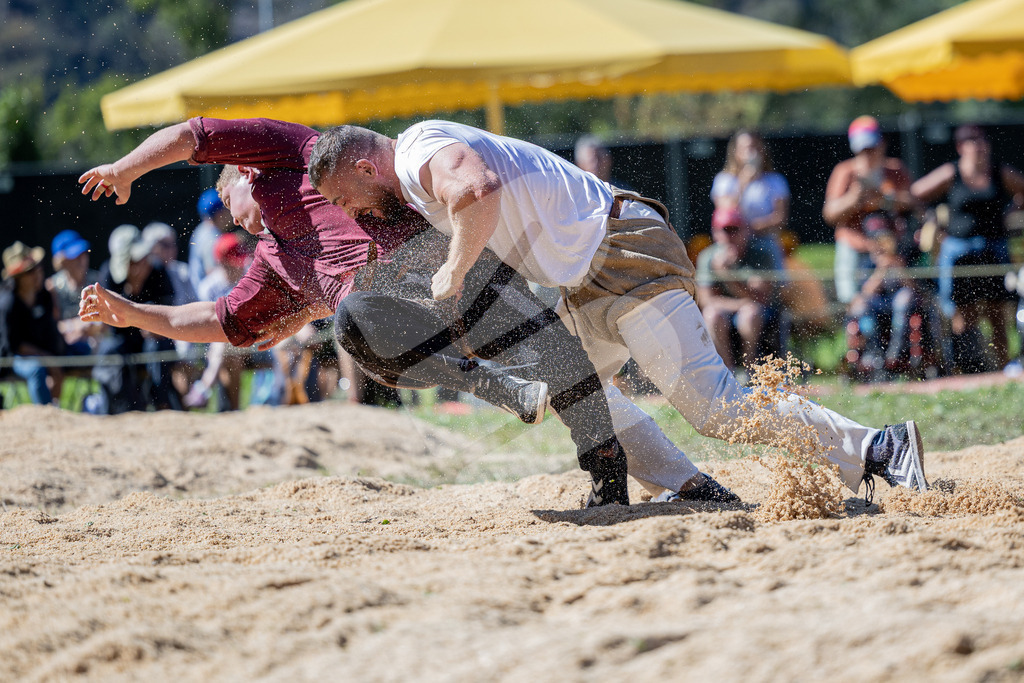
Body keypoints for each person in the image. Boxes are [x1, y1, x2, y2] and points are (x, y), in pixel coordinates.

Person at [78, 117, 725, 507]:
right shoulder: (271, 265)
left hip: (444, 263)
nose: (228, 202)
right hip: (393, 318)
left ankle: (634, 485)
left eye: (230, 187)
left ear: (247, 172)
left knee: (568, 366)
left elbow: (196, 135)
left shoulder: (297, 158)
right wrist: (134, 313)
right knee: (353, 315)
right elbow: (220, 321)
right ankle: (491, 384)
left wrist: (127, 166)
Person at [308, 119, 931, 502]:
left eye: (345, 197)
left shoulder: (419, 150)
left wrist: (454, 268)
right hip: (585, 276)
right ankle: (689, 487)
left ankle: (879, 448)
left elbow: (474, 188)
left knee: (713, 405)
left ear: (366, 166)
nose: (351, 211)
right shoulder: (414, 180)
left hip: (622, 251)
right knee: (578, 391)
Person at [911, 124, 1024, 373]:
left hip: (994, 251)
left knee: (997, 313)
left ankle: (1003, 370)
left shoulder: (999, 172)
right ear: (961, 146)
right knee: (962, 314)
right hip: (959, 254)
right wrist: (930, 220)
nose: (981, 147)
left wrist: (1013, 211)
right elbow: (915, 194)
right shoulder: (952, 172)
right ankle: (963, 369)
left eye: (984, 141)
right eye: (974, 142)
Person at [823, 116, 916, 306]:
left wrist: (886, 198)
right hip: (856, 245)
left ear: (882, 144)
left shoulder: (895, 169)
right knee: (853, 300)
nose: (868, 154)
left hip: (889, 248)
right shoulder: (845, 172)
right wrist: (853, 199)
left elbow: (912, 202)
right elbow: (830, 214)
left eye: (871, 148)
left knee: (904, 297)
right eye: (863, 149)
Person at [91, 224, 181, 413]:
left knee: (158, 348)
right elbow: (105, 323)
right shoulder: (108, 273)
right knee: (110, 349)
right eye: (132, 261)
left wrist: (153, 324)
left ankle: (162, 405)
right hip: (122, 338)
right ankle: (120, 409)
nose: (140, 264)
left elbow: (170, 316)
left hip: (154, 340)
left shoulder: (158, 271)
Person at [696, 206, 782, 372]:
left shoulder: (761, 253)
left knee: (750, 315)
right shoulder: (707, 257)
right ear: (715, 233)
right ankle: (728, 371)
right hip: (732, 310)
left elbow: (762, 298)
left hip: (759, 314)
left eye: (735, 230)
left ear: (746, 231)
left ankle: (749, 370)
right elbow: (706, 301)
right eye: (725, 230)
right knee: (712, 315)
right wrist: (742, 303)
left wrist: (727, 276)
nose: (730, 236)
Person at [1, 241, 66, 404]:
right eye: (30, 271)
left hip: (43, 351)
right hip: (13, 357)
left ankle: (55, 409)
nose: (37, 273)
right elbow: (14, 346)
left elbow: (51, 330)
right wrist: (47, 359)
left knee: (82, 351)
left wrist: (52, 357)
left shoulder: (44, 295)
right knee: (36, 370)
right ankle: (45, 414)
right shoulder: (7, 303)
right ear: (18, 278)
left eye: (37, 267)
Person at [711, 129, 789, 267]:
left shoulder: (775, 180)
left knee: (769, 263)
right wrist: (744, 181)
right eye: (746, 148)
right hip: (731, 242)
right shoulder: (724, 180)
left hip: (763, 240)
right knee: (714, 262)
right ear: (736, 151)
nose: (751, 153)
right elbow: (724, 213)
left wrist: (750, 229)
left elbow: (780, 218)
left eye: (755, 147)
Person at [46, 229, 102, 353]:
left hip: (96, 344)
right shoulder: (52, 287)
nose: (82, 259)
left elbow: (105, 323)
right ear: (62, 261)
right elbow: (51, 327)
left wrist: (91, 327)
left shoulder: (98, 281)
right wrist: (75, 326)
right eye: (75, 256)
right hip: (66, 347)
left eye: (83, 253)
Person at [188, 188, 233, 295]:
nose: (231, 212)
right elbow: (211, 272)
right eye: (227, 208)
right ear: (219, 213)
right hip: (205, 296)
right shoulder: (211, 237)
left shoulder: (202, 230)